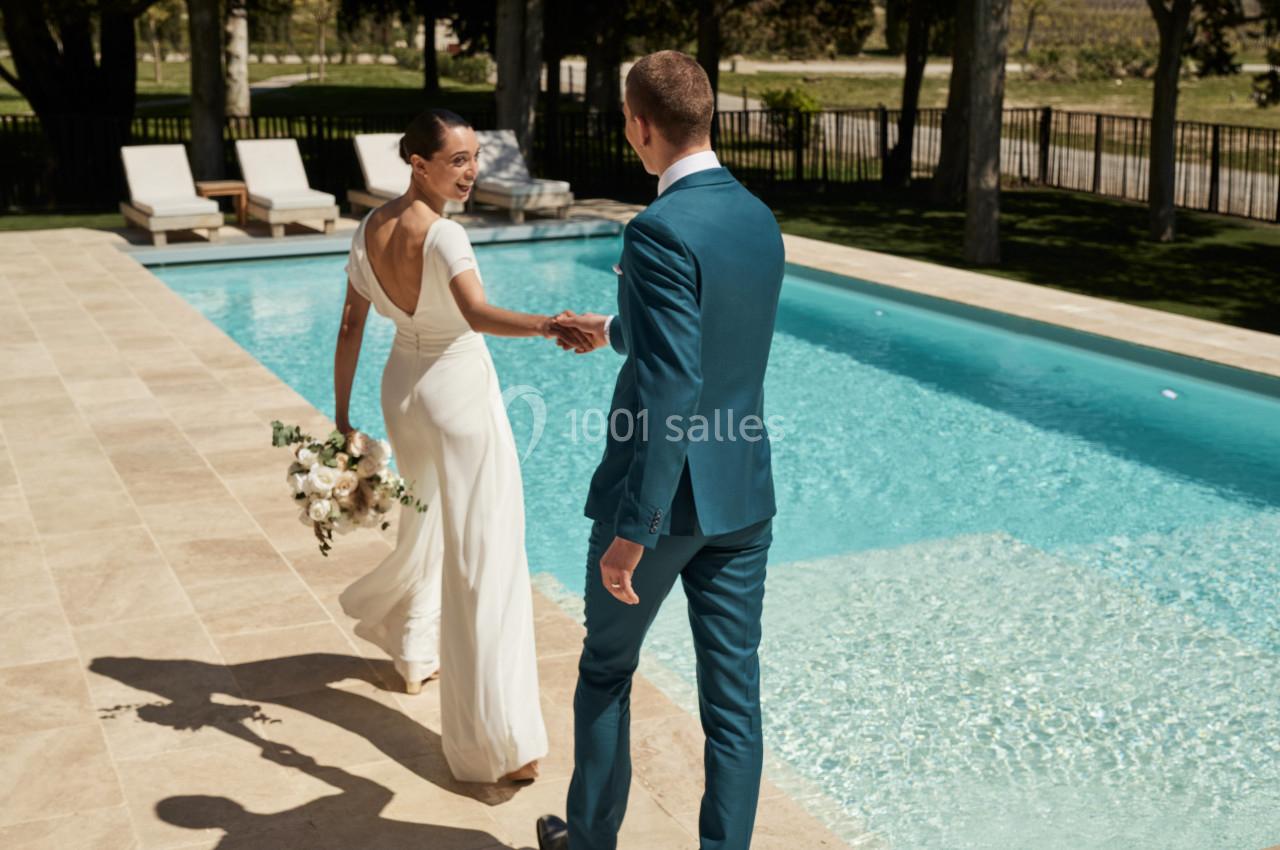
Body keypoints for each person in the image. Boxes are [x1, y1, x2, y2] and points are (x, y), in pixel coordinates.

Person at [535, 51, 786, 850]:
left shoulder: (656, 230)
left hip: (662, 506)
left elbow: (674, 388)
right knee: (733, 702)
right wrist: (611, 330)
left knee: (606, 674)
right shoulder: (757, 216)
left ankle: (589, 843)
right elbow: (699, 342)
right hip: (743, 499)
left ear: (641, 127)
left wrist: (634, 531)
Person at [332, 108, 588, 784]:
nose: (472, 171)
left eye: (475, 157)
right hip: (455, 399)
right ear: (419, 164)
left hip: (402, 396)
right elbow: (475, 315)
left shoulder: (368, 228)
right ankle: (496, 744)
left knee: (426, 529)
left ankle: (415, 652)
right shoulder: (444, 235)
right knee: (487, 561)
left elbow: (351, 324)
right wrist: (549, 324)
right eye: (458, 160)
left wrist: (339, 417)